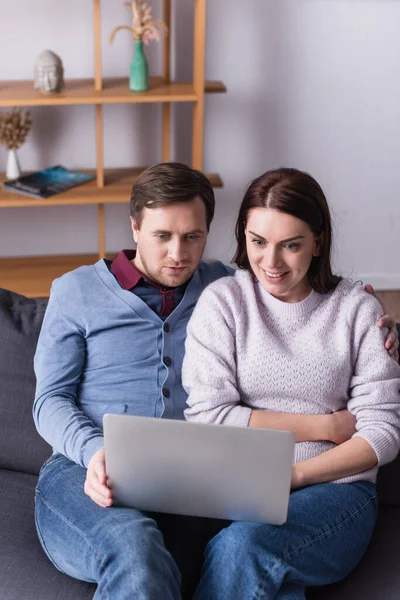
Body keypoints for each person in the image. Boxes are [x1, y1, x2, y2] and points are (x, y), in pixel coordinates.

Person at [33, 162, 398, 600]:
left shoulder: (222, 285)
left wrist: (376, 314)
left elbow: (295, 289)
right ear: (134, 227)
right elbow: (49, 400)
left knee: (246, 558)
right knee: (134, 549)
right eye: (162, 235)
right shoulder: (75, 292)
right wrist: (96, 452)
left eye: (192, 237)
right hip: (87, 469)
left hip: (193, 482)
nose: (177, 254)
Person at [182, 167, 400, 600]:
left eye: (291, 245)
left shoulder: (357, 310)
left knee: (244, 547)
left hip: (339, 493)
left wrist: (295, 474)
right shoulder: (224, 304)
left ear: (318, 242)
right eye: (258, 242)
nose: (271, 263)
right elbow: (209, 416)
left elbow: (382, 433)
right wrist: (323, 428)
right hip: (238, 486)